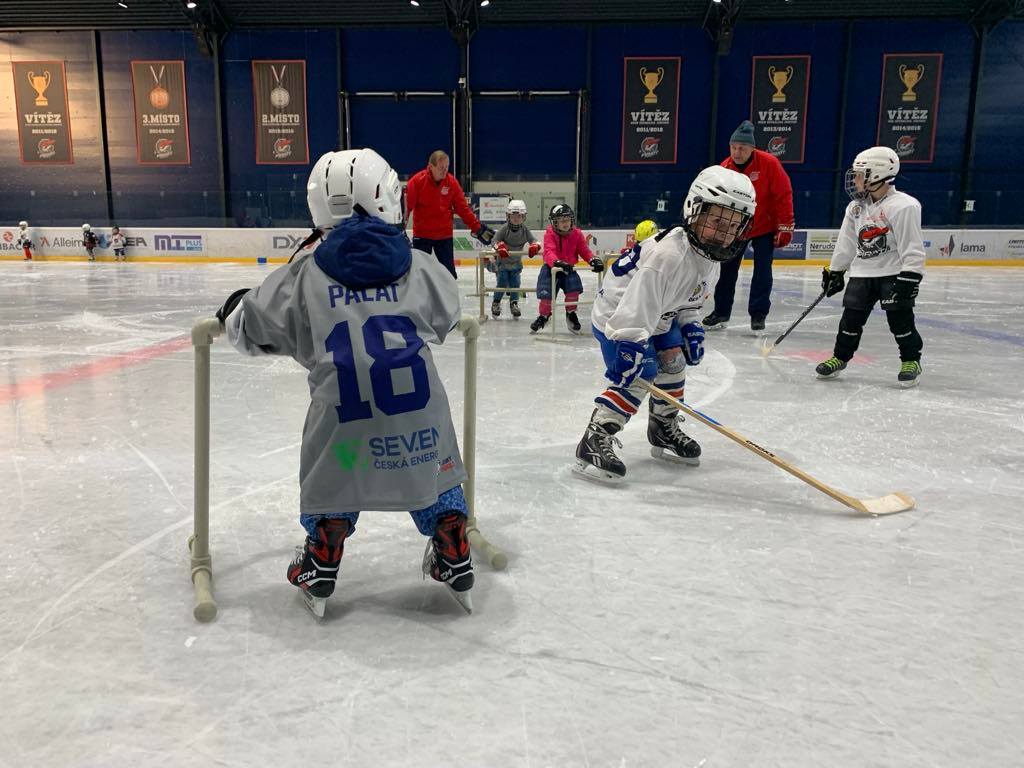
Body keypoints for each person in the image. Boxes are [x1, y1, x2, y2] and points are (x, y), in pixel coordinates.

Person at [216, 147, 475, 617]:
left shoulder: (303, 275)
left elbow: (250, 327)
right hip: (419, 425)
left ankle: (324, 549)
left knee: (335, 473)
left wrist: (234, 308)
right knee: (433, 470)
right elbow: (448, 313)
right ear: (388, 197)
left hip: (345, 431)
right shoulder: (420, 265)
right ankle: (451, 535)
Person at [573, 166, 756, 483]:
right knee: (639, 373)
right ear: (694, 210)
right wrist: (630, 344)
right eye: (716, 221)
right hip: (619, 317)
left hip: (659, 315)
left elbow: (689, 300)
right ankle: (596, 435)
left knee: (673, 364)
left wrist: (690, 325)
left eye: (733, 225)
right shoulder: (668, 256)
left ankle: (662, 427)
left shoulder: (710, 259)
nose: (724, 233)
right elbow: (635, 305)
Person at [816, 146, 925, 388]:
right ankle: (840, 357)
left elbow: (912, 245)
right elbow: (846, 242)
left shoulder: (904, 206)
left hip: (893, 274)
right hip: (862, 273)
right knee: (850, 321)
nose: (854, 180)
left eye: (859, 175)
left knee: (900, 322)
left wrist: (911, 275)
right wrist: (836, 270)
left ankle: (911, 360)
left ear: (876, 174)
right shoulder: (855, 207)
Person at [703, 120, 794, 332]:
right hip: (736, 228)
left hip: (764, 226)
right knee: (727, 271)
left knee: (762, 271)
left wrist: (786, 225)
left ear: (752, 148)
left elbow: (783, 195)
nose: (737, 152)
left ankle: (758, 315)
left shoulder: (769, 164)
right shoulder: (724, 168)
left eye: (742, 148)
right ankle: (721, 312)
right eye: (733, 147)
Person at [404, 149, 494, 278]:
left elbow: (463, 209)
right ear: (431, 166)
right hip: (422, 235)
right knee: (419, 274)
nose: (445, 171)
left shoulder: (451, 182)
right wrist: (400, 230)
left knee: (449, 275)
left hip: (444, 235)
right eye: (441, 168)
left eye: (447, 167)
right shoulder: (417, 181)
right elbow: (407, 209)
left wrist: (477, 228)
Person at [530, 203, 603, 334]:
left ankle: (571, 313)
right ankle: (544, 315)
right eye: (561, 220)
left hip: (569, 269)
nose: (565, 223)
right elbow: (549, 252)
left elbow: (584, 250)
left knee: (573, 291)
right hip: (551, 269)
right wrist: (556, 262)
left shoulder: (577, 234)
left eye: (567, 220)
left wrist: (593, 259)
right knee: (546, 294)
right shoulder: (550, 234)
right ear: (554, 222)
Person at [489, 199, 539, 319]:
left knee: (515, 284)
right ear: (508, 216)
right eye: (513, 216)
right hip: (503, 264)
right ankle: (496, 303)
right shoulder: (504, 229)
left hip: (516, 264)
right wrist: (499, 246)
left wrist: (535, 246)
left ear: (523, 217)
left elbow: (534, 240)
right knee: (502, 283)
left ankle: (514, 303)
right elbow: (494, 240)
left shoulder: (525, 230)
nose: (516, 219)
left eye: (519, 216)